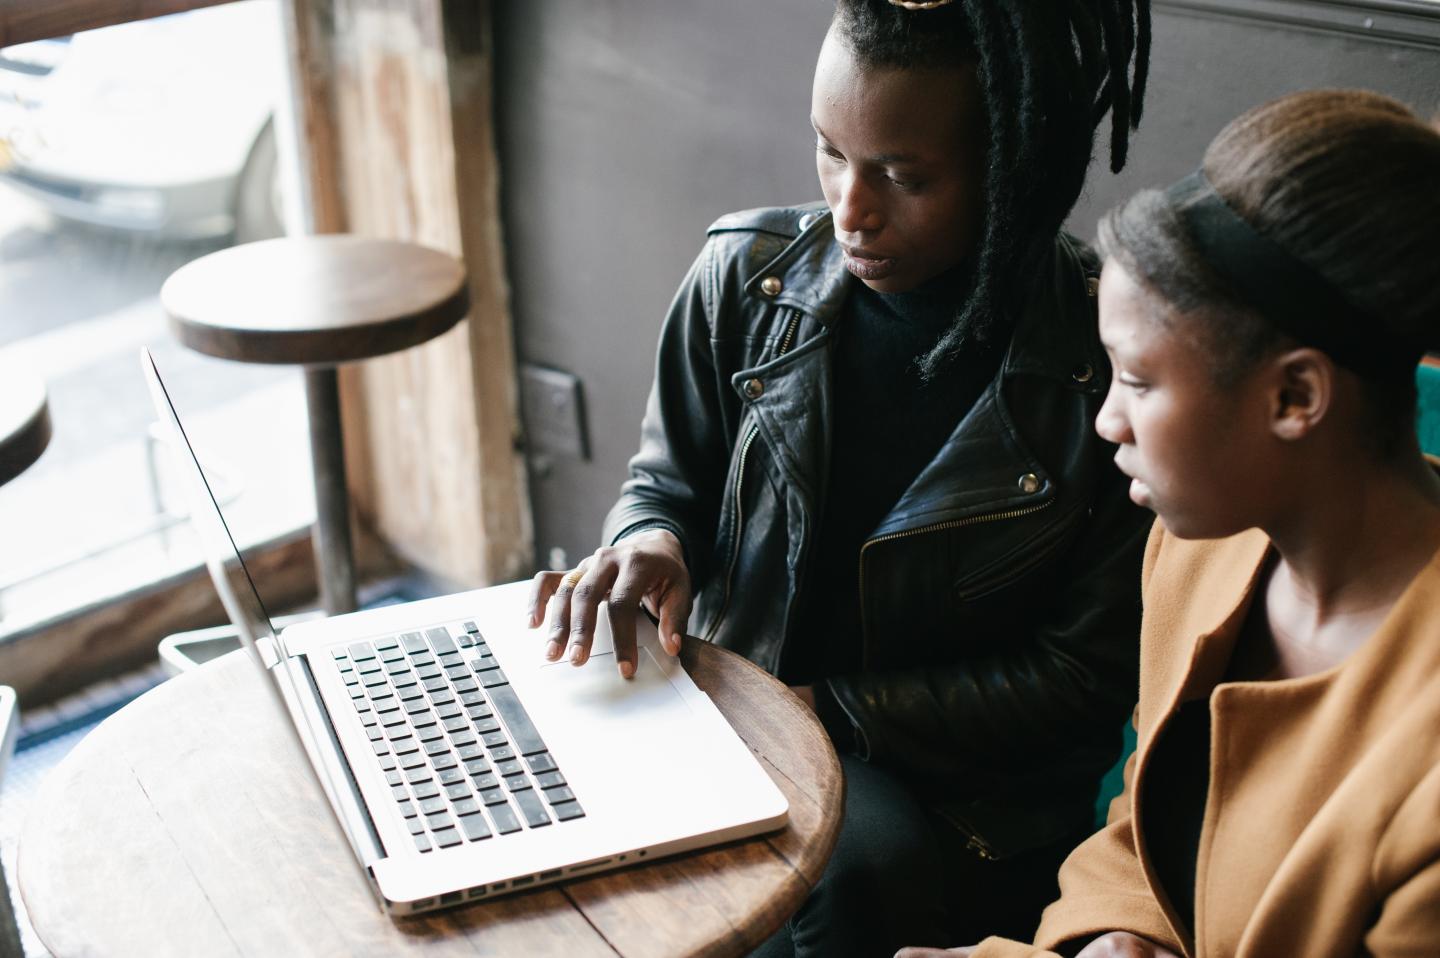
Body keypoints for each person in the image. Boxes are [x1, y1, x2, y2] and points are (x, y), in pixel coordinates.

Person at [527, 0, 1154, 953]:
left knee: (860, 865)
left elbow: (1081, 676)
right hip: (733, 715)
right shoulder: (743, 278)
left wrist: (821, 714)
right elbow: (665, 484)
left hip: (955, 791)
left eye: (902, 176)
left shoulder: (1101, 373)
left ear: (1012, 168)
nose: (849, 209)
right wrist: (647, 542)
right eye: (829, 152)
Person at [900, 88, 1440, 958]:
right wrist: (1115, 936)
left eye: (1140, 383)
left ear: (1295, 396)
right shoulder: (1204, 554)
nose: (1107, 421)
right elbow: (1152, 831)